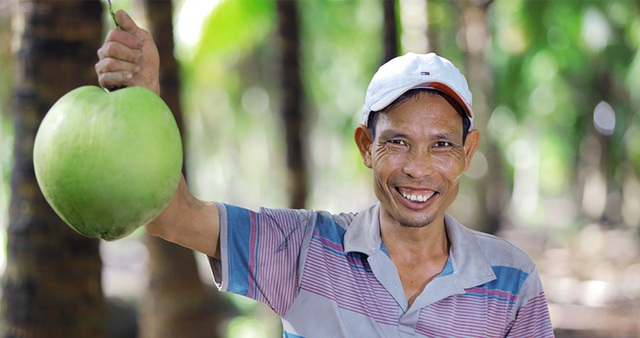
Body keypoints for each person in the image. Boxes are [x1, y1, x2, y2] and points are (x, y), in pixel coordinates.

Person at [96, 10, 554, 338]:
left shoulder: (512, 281)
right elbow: (171, 216)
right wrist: (146, 98)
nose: (418, 168)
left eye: (441, 145)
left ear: (467, 153)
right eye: (396, 141)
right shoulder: (303, 248)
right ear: (365, 146)